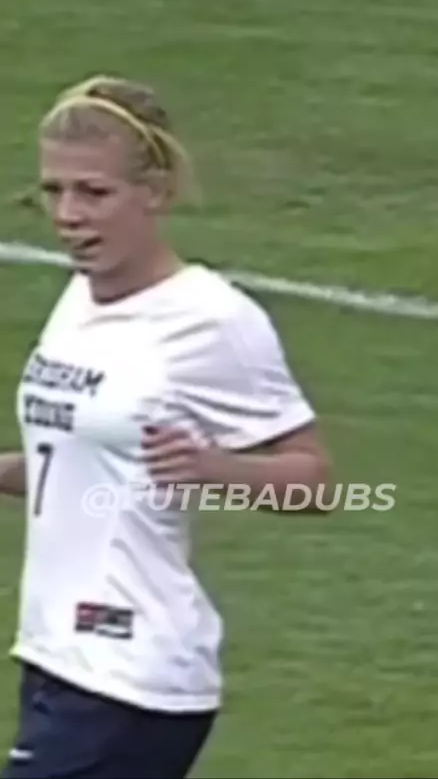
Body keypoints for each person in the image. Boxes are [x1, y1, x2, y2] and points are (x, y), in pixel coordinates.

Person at [0, 75, 334, 778]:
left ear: (154, 192)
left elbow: (313, 483)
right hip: (56, 654)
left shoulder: (212, 320)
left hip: (131, 672)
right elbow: (82, 466)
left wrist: (217, 470)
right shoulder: (78, 300)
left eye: (94, 193)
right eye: (53, 191)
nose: (68, 215)